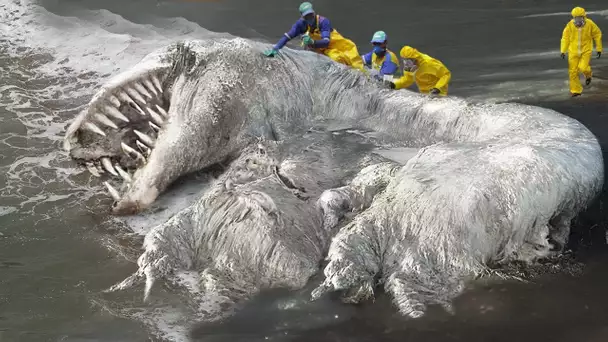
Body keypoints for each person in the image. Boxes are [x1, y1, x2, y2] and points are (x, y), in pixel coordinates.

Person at [263, 2, 364, 71]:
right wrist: (276, 48)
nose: (309, 18)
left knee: (340, 58)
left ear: (314, 13)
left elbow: (326, 41)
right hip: (316, 48)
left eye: (311, 15)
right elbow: (287, 36)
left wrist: (312, 42)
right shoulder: (300, 25)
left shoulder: (323, 22)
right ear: (302, 17)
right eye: (307, 16)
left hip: (332, 45)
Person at [560, 6, 602, 97]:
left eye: (580, 17)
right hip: (573, 51)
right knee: (573, 71)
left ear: (584, 17)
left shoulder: (590, 24)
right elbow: (565, 38)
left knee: (583, 67)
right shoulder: (570, 25)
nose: (578, 20)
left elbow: (597, 34)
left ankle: (588, 74)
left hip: (586, 50)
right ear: (573, 17)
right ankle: (576, 90)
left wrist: (599, 48)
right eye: (576, 17)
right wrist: (563, 50)